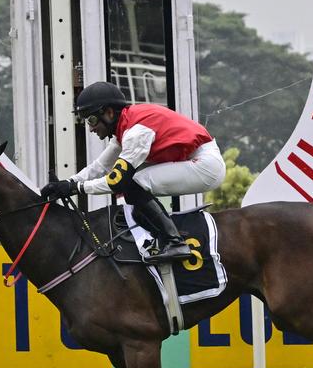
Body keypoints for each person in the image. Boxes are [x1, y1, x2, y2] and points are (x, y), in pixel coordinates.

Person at [41, 81, 226, 264]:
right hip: (196, 159)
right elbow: (100, 167)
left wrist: (75, 188)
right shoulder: (125, 127)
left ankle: (175, 242)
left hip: (206, 165)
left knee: (134, 181)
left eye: (91, 120)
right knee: (133, 185)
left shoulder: (136, 132)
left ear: (109, 113)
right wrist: (67, 182)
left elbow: (115, 182)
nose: (90, 128)